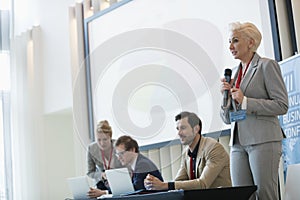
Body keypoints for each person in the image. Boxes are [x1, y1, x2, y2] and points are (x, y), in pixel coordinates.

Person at [220, 22, 288, 200]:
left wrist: (246, 101)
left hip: (263, 140)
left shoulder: (267, 66)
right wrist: (225, 95)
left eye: (235, 40)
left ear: (250, 43)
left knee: (265, 195)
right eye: (229, 41)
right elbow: (227, 118)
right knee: (242, 195)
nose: (230, 46)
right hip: (237, 143)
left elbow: (281, 105)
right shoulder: (234, 73)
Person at [144, 111, 231, 190]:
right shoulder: (186, 152)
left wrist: (164, 185)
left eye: (183, 128)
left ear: (196, 129)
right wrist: (154, 184)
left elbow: (203, 184)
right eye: (178, 129)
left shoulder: (214, 148)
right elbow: (178, 181)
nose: (179, 133)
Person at [88, 135, 164, 198]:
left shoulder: (142, 164)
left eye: (121, 153)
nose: (119, 157)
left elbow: (136, 190)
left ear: (132, 150)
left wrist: (104, 192)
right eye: (117, 154)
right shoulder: (136, 164)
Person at [86, 120, 122, 189]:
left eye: (105, 139)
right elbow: (90, 172)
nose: (102, 143)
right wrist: (101, 175)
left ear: (110, 137)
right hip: (102, 184)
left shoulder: (119, 146)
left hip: (119, 181)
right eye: (99, 140)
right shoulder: (91, 149)